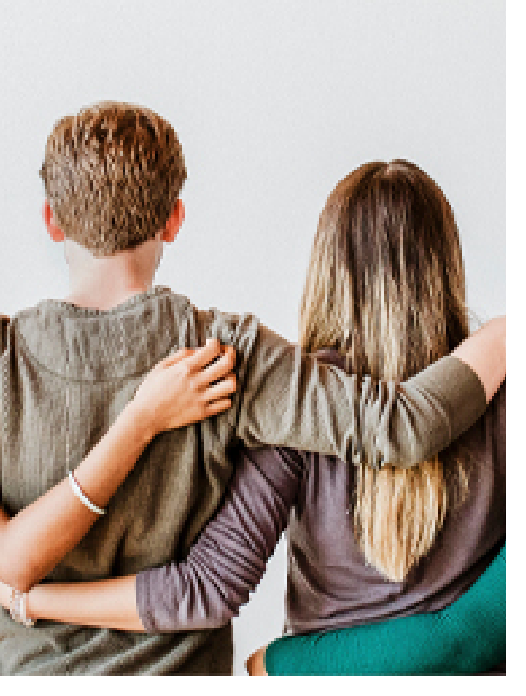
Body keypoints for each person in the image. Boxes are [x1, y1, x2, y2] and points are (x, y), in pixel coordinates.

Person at [0, 149, 505, 676]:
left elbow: (206, 587)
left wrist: (31, 599)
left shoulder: (304, 404)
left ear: (328, 266)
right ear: (448, 262)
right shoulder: (498, 387)